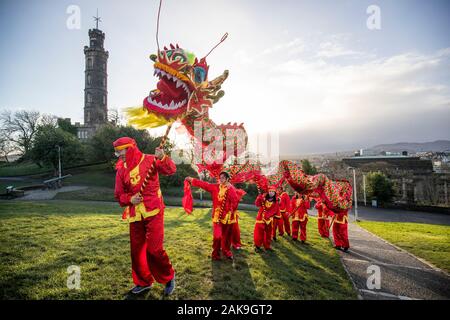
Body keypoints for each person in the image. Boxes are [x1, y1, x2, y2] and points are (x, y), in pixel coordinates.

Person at [113, 137, 176, 295]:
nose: (118, 154)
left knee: (154, 250)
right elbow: (119, 194)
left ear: (129, 148)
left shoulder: (150, 160)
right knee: (136, 252)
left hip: (154, 210)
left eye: (120, 151)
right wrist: (130, 199)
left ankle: (168, 276)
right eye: (116, 152)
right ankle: (144, 281)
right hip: (135, 214)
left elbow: (170, 170)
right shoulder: (121, 170)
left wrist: (162, 157)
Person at [185, 172, 240, 260]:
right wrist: (192, 180)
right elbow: (204, 184)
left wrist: (231, 189)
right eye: (220, 177)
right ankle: (215, 254)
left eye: (223, 178)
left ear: (227, 179)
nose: (220, 179)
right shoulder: (215, 187)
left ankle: (226, 251)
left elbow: (235, 201)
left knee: (227, 237)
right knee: (217, 237)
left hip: (227, 218)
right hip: (217, 217)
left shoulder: (230, 189)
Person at [254, 186, 280, 251]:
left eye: (273, 192)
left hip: (269, 219)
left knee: (268, 233)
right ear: (268, 192)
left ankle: (267, 246)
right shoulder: (263, 198)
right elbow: (257, 204)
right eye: (270, 191)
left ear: (275, 193)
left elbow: (275, 210)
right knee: (259, 232)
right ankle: (257, 246)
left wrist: (268, 215)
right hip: (261, 218)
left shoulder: (276, 202)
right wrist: (259, 198)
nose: (271, 193)